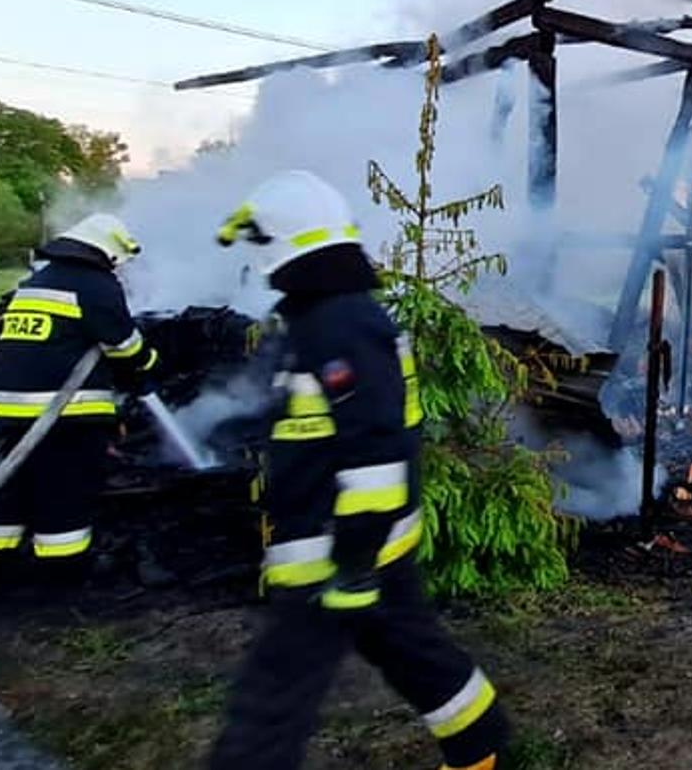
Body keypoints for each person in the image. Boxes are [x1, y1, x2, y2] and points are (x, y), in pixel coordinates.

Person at [207, 171, 508, 770]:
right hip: (355, 544)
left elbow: (374, 448)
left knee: (273, 697)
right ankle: (481, 745)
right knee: (413, 653)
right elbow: (317, 417)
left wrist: (353, 564)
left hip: (335, 550)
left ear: (281, 244)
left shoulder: (339, 323)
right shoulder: (322, 317)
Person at [0, 214, 159, 602]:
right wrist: (147, 367)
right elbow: (125, 346)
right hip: (64, 414)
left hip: (11, 410)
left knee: (10, 489)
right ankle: (61, 581)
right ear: (106, 251)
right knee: (65, 493)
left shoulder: (36, 282)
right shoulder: (95, 285)